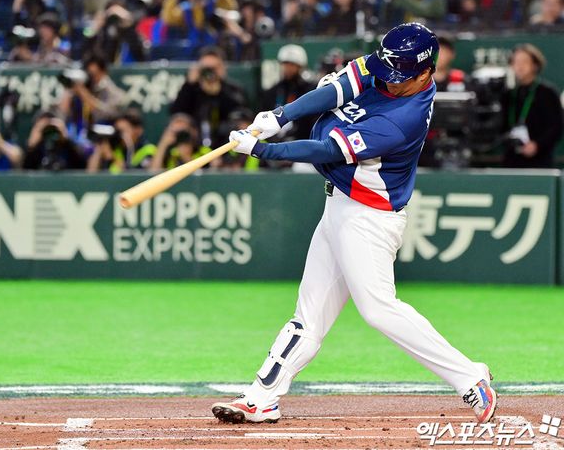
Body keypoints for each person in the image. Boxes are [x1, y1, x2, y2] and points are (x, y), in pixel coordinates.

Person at [212, 23, 497, 424]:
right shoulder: (390, 65)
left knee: (378, 308)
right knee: (308, 316)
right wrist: (280, 115)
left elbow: (327, 149)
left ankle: (470, 376)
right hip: (340, 205)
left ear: (425, 73)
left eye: (399, 77)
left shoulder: (404, 119)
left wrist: (262, 149)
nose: (388, 80)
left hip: (369, 218)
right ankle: (262, 397)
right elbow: (339, 88)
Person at [170, 46, 247, 146]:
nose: (210, 72)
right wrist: (189, 85)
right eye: (206, 68)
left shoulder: (233, 89)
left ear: (223, 68)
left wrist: (220, 91)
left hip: (225, 143)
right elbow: (177, 112)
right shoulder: (192, 89)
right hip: (195, 145)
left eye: (214, 68)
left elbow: (241, 113)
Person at [502, 44, 563, 168]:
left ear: (535, 65)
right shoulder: (508, 94)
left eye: (524, 62)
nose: (519, 67)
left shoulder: (547, 93)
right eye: (515, 62)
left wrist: (538, 145)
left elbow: (556, 126)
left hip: (540, 160)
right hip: (512, 160)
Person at [58, 54, 125, 138]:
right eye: (89, 74)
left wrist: (84, 94)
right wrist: (69, 92)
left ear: (104, 72)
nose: (91, 78)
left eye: (94, 74)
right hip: (78, 137)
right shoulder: (80, 90)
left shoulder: (115, 94)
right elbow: (62, 115)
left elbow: (103, 115)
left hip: (102, 139)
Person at [261, 44, 315, 142]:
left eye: (292, 65)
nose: (288, 68)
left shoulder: (309, 90)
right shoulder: (273, 92)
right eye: (285, 64)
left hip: (301, 141)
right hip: (276, 140)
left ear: (300, 67)